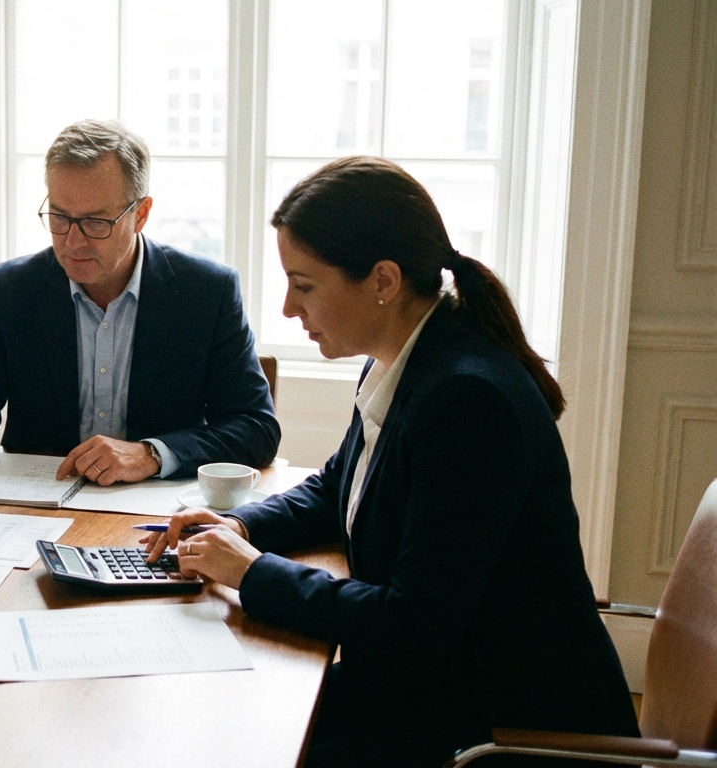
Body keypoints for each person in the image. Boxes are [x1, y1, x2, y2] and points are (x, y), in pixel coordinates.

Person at [143, 156, 638, 766]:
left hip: (498, 730)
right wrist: (243, 528)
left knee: (236, 740)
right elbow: (335, 488)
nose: (287, 310)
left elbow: (412, 626)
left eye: (304, 285)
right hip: (439, 692)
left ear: (382, 281)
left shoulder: (468, 401)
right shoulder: (401, 358)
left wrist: (252, 571)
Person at [0, 119, 280, 528]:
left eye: (96, 223)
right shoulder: (11, 289)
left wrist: (150, 454)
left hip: (155, 523)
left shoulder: (206, 291)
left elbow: (255, 427)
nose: (73, 241)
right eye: (59, 217)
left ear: (140, 214)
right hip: (27, 516)